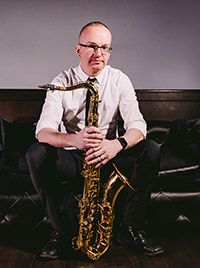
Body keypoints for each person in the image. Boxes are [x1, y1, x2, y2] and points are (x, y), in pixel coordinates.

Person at [26, 21, 164, 260]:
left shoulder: (120, 80)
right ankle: (60, 232)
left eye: (105, 47)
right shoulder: (61, 82)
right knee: (36, 153)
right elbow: (43, 132)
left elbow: (138, 127)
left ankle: (129, 229)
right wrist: (75, 139)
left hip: (108, 155)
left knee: (150, 149)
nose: (98, 54)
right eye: (91, 46)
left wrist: (116, 144)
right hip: (73, 158)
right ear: (78, 50)